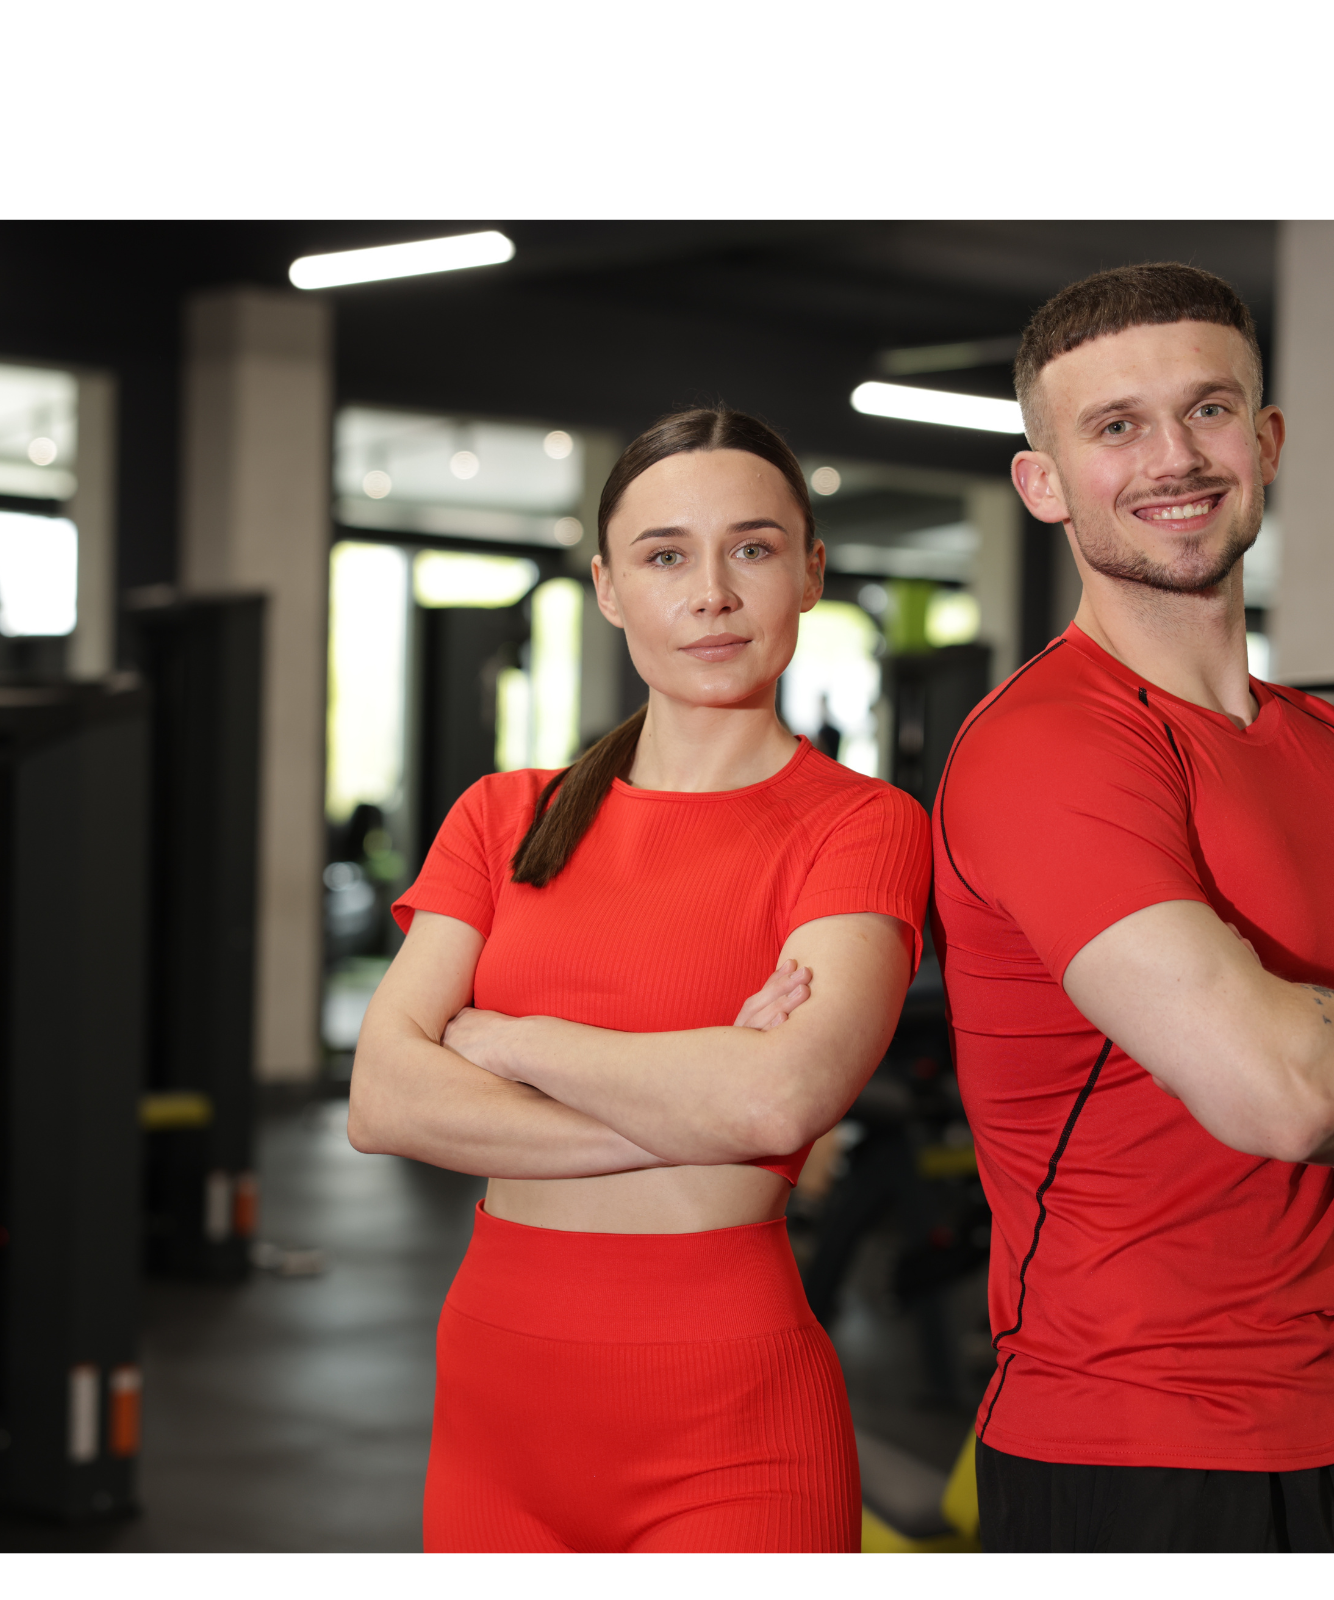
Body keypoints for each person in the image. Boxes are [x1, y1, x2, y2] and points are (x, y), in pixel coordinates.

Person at [931, 263, 1334, 1552]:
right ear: (1042, 484)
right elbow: (1285, 1097)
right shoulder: (1048, 747)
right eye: (1114, 426)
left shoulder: (1333, 749)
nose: (1172, 458)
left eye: (1207, 411)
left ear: (1264, 442)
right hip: (1124, 1445)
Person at [348, 408, 933, 1552]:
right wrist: (695, 1094)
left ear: (809, 572)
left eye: (752, 548)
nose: (709, 592)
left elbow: (772, 1102)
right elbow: (383, 1099)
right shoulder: (500, 816)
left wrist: (503, 1037)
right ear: (610, 588)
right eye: (665, 555)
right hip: (492, 1416)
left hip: (729, 1427)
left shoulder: (859, 826)